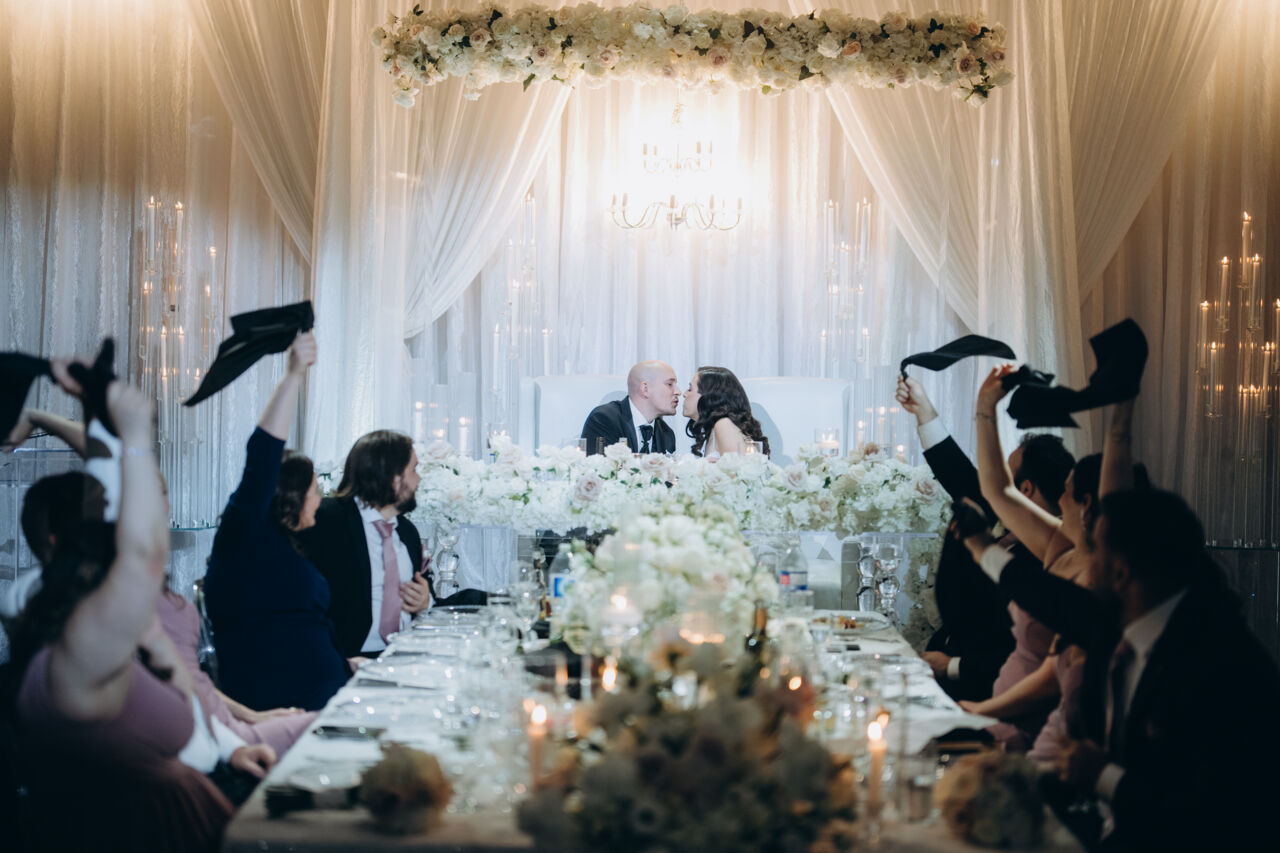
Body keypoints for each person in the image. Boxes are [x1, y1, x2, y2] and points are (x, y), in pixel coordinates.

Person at [961, 489, 1280, 849]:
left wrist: (1104, 777)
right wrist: (979, 544)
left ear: (1121, 573)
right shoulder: (1122, 621)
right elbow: (1049, 596)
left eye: (1093, 550)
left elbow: (1220, 814)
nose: (1084, 565)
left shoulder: (1224, 668)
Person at [5, 376, 234, 852]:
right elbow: (142, 547)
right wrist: (132, 435)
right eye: (104, 519)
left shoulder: (92, 610)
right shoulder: (44, 603)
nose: (118, 526)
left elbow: (112, 472)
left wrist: (41, 417)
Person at [896, 375, 1073, 702]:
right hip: (941, 668)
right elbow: (957, 472)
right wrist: (924, 410)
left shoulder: (1054, 558)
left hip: (986, 693)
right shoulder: (997, 517)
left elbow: (1028, 655)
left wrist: (953, 666)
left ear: (1025, 490)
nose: (990, 481)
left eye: (1003, 475)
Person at [203, 331, 352, 712]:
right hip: (282, 709)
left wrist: (346, 665)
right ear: (291, 495)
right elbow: (263, 455)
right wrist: (293, 376)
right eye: (315, 489)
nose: (320, 498)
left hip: (328, 693)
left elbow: (304, 629)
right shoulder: (245, 538)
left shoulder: (286, 544)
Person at [298, 430, 486, 659]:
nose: (419, 479)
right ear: (392, 477)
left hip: (408, 655)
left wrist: (426, 601)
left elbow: (421, 593)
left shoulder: (407, 532)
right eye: (414, 470)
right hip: (347, 659)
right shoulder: (326, 521)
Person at [580, 360, 679, 454]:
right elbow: (602, 465)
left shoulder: (666, 433)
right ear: (645, 389)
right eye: (670, 384)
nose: (678, 392)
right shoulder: (604, 420)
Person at [683, 366, 769, 457]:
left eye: (690, 389)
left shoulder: (723, 425)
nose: (684, 394)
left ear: (709, 396)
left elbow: (741, 465)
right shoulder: (714, 430)